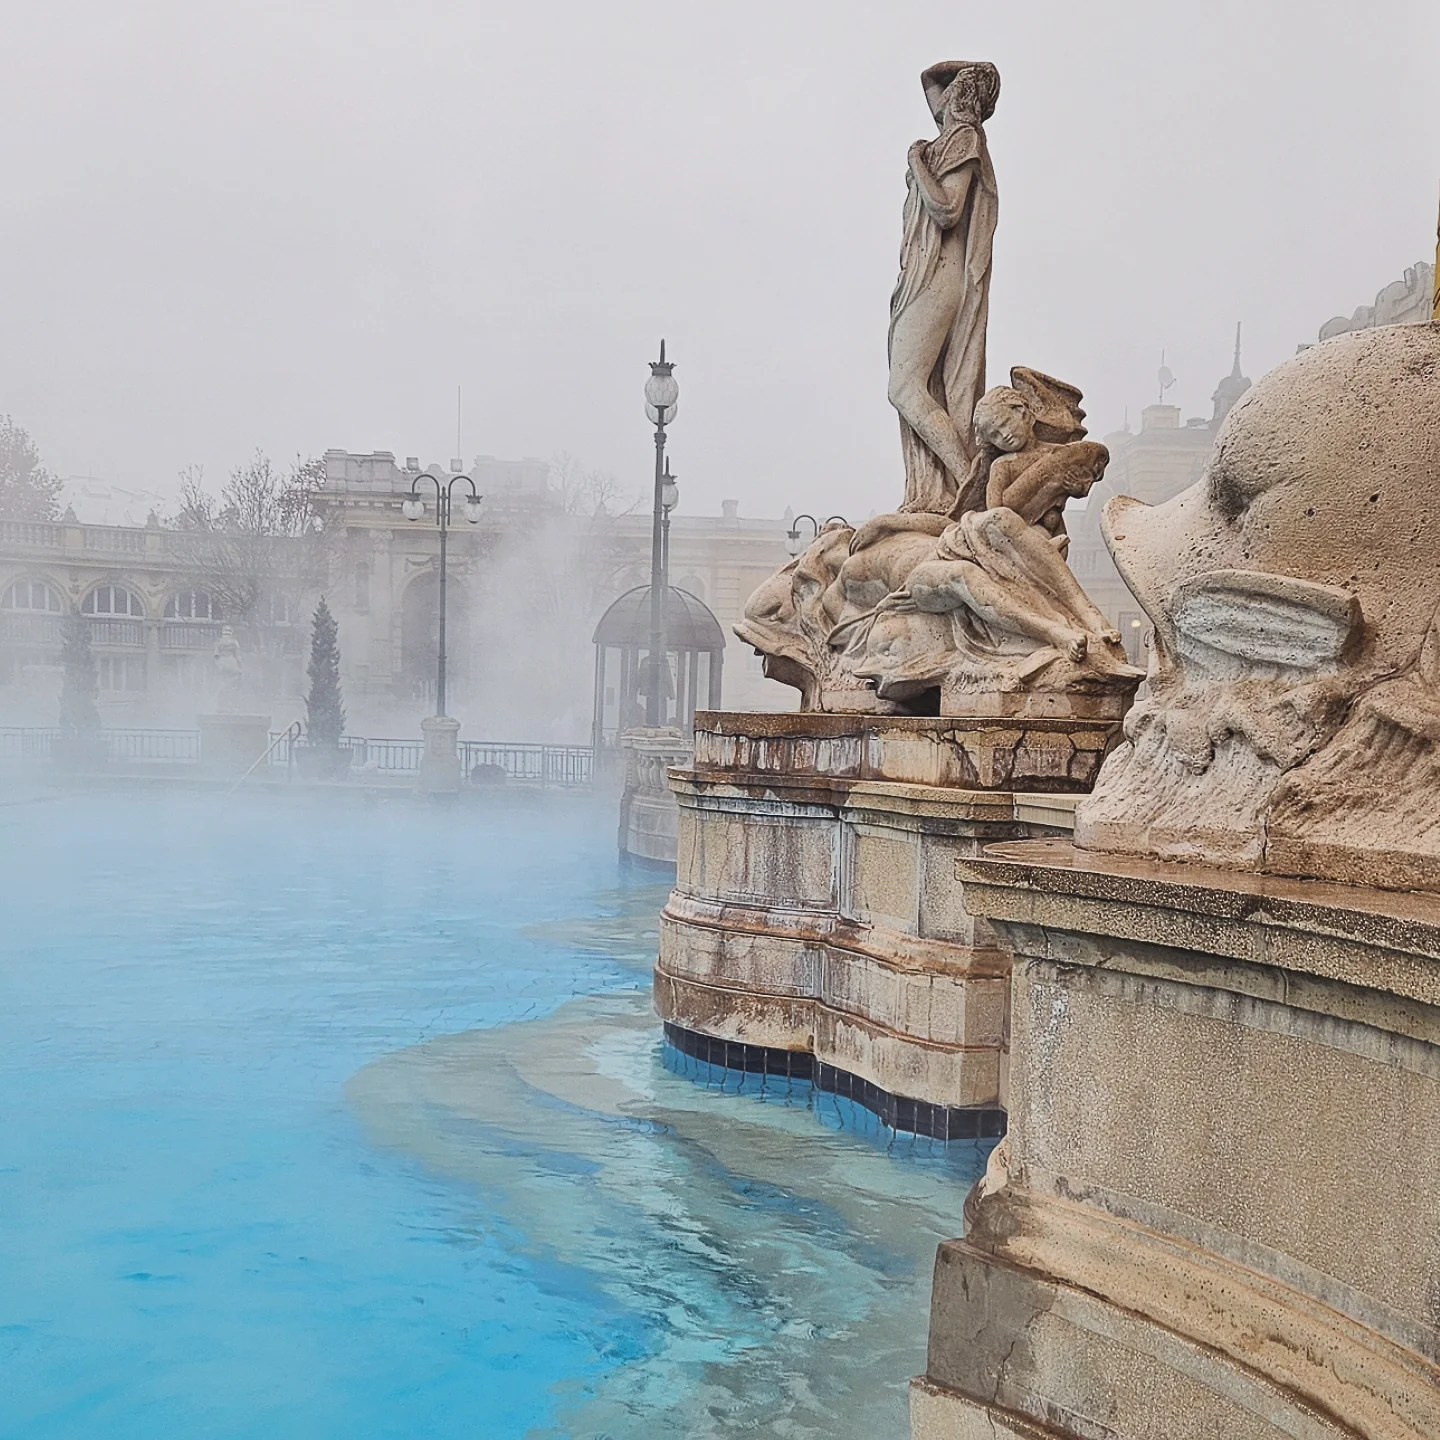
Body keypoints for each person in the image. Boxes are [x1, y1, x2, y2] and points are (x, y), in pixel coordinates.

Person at [888, 61, 1001, 513]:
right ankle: (944, 488)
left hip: (939, 273)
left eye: (955, 89)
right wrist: (974, 74)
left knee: (905, 387)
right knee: (916, 387)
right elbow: (928, 76)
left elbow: (949, 210)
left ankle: (967, 482)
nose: (942, 96)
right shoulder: (949, 136)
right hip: (921, 273)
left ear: (963, 97)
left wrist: (916, 162)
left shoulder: (965, 140)